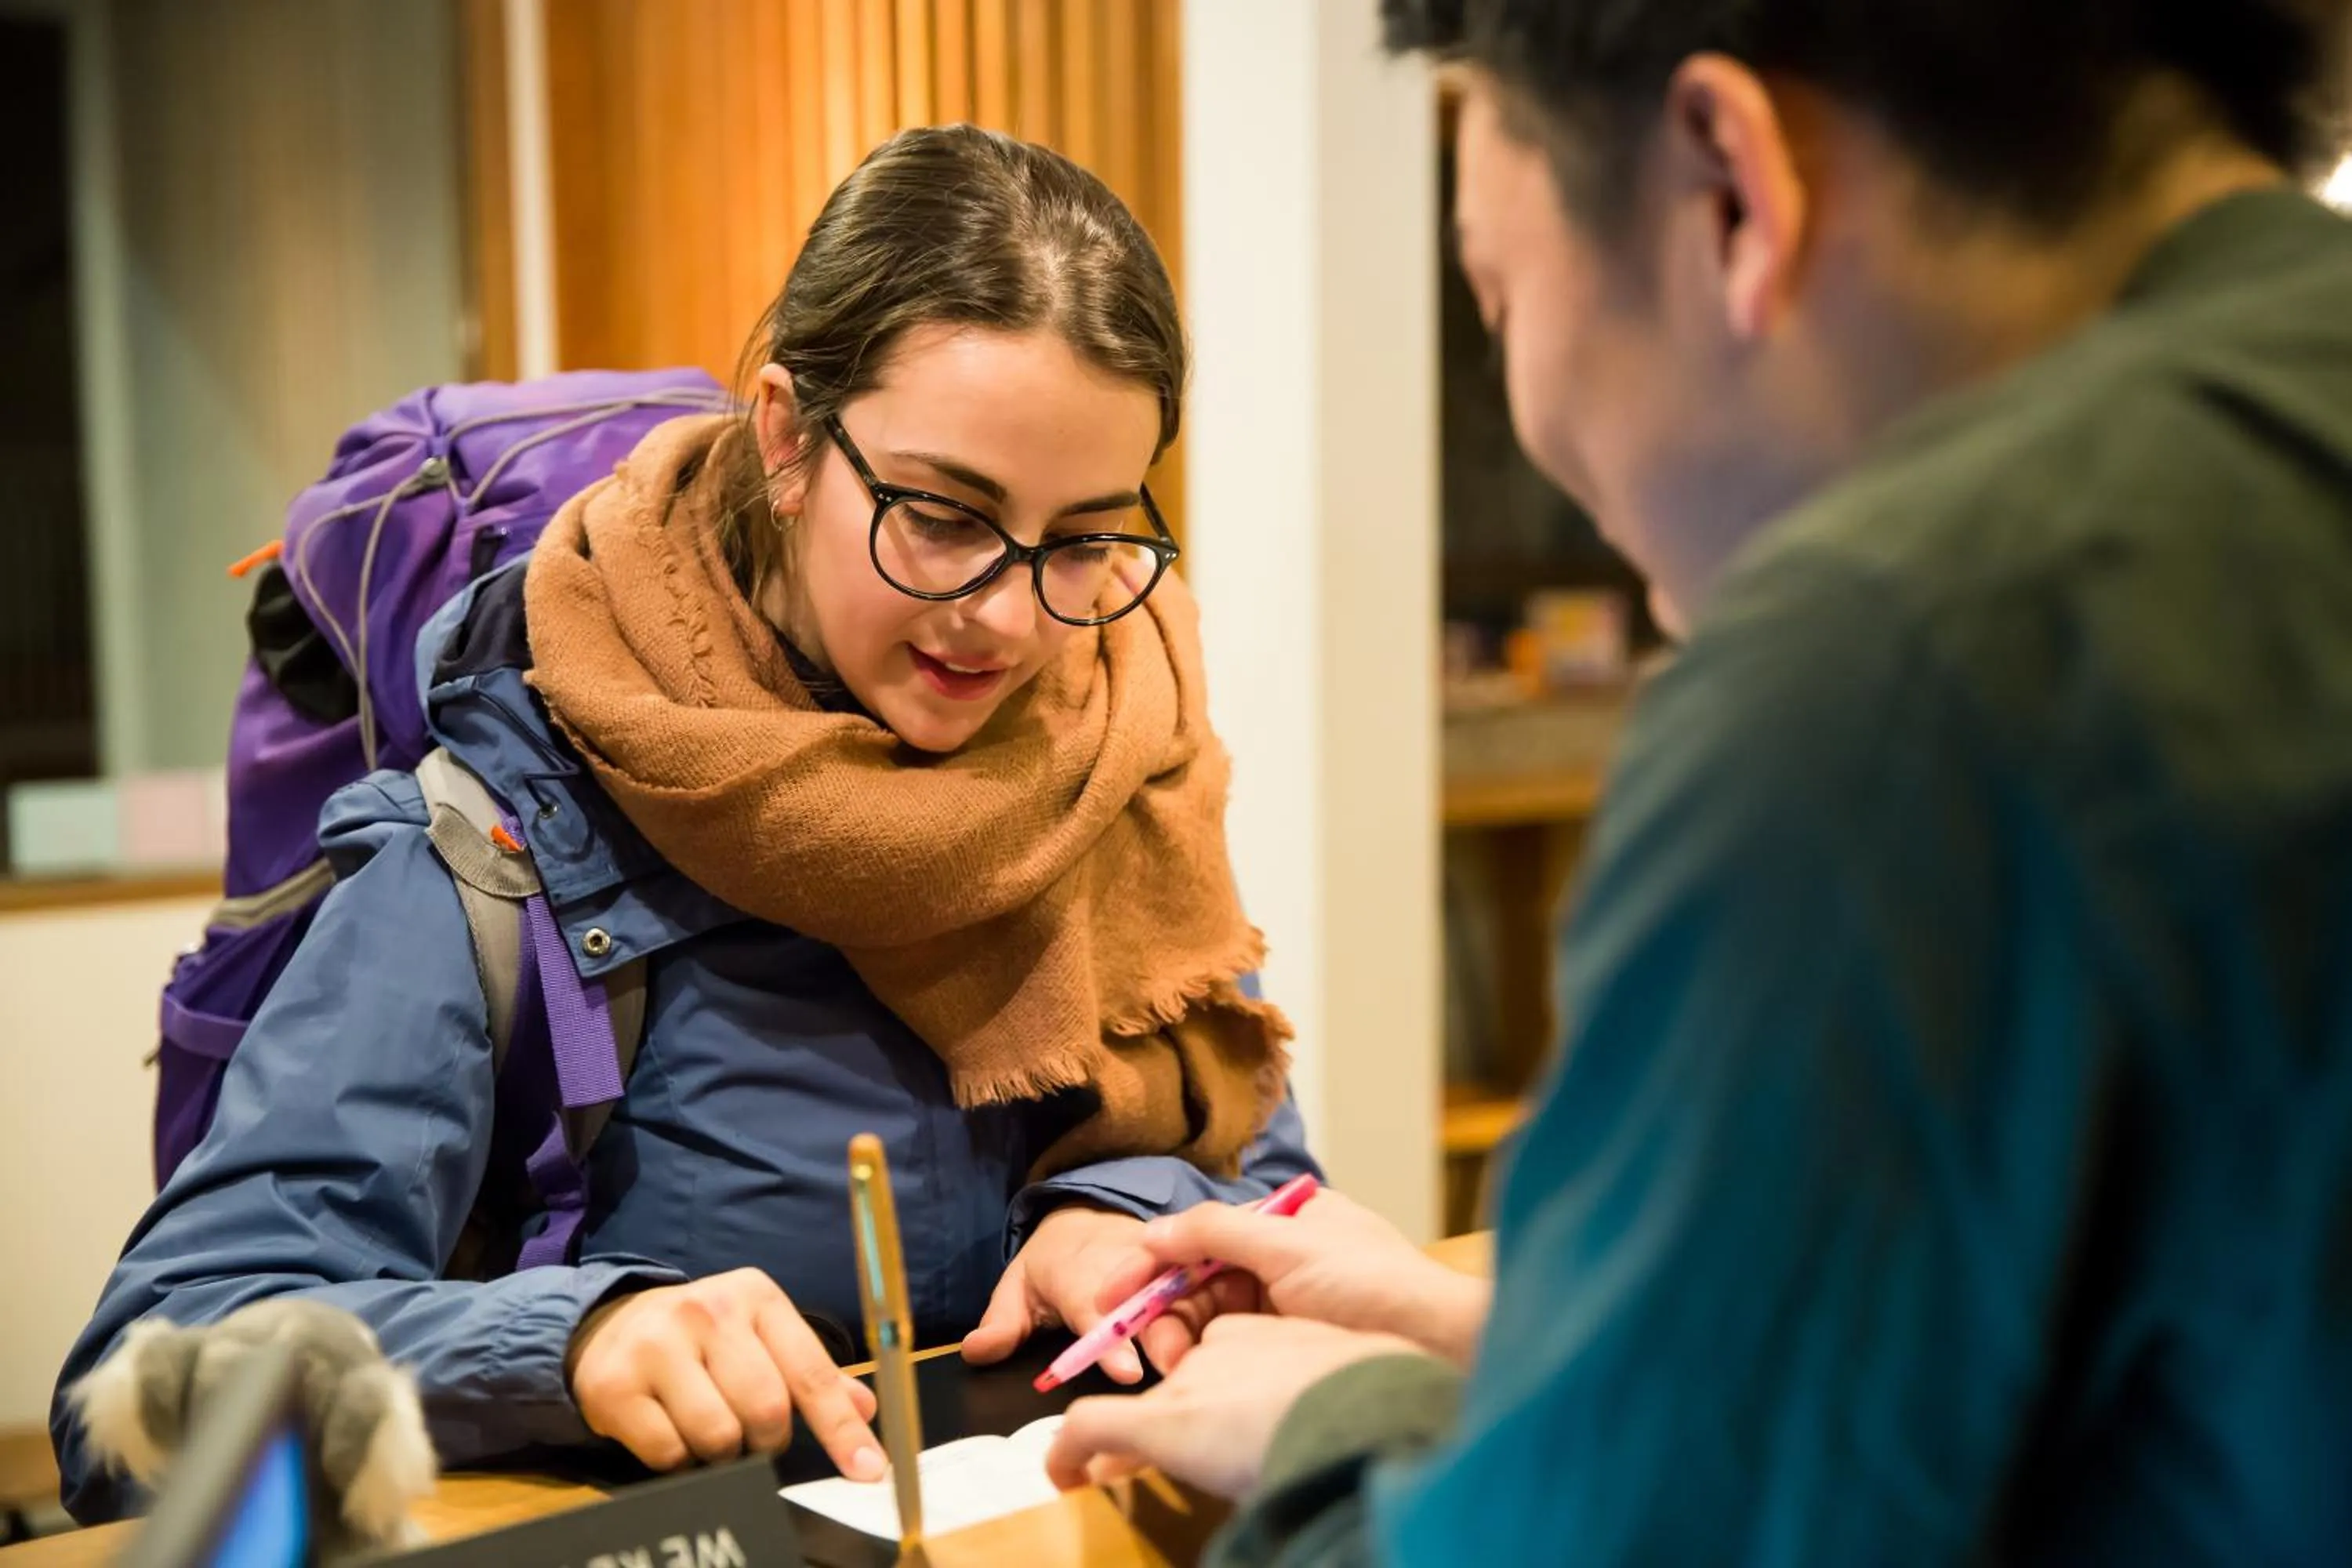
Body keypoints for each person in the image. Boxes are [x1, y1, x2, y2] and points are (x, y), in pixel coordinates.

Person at [1043, 1, 2352, 1562]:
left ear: (1732, 186)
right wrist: (1525, 1342)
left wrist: (1348, 1436)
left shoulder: (1905, 663)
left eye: (1496, 291)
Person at [53, 125, 1316, 1523]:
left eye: (1083, 536)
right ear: (787, 437)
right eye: (943, 516)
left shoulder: (1119, 753)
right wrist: (572, 1343)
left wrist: (1124, 1214)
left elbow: (1268, 1183)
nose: (1011, 618)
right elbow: (143, 1386)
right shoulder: (497, 836)